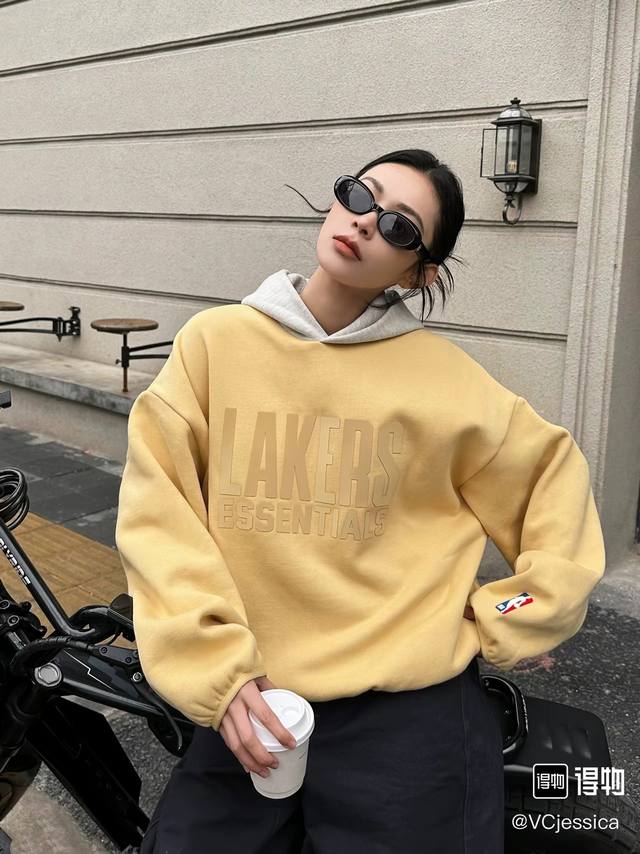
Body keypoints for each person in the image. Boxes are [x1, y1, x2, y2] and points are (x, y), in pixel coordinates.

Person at [115, 148, 606, 853]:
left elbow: (553, 482)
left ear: (418, 272)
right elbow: (160, 519)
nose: (367, 223)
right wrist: (212, 665)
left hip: (409, 716)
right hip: (257, 696)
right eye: (358, 196)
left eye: (401, 227)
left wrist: (503, 613)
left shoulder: (448, 383)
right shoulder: (215, 345)